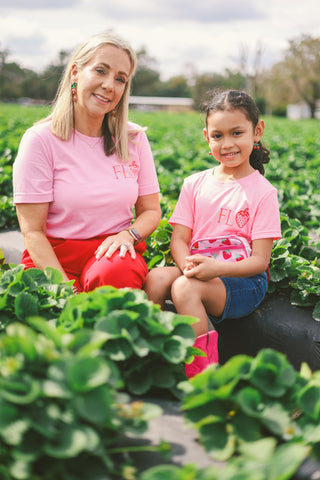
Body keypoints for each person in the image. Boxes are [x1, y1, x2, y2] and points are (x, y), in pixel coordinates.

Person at [13, 31, 161, 293]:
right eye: (100, 71)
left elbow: (150, 210)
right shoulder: (39, 140)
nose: (109, 85)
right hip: (53, 257)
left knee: (114, 274)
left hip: (113, 254)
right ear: (75, 73)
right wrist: (65, 292)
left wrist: (129, 235)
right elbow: (33, 232)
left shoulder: (134, 139)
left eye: (120, 79)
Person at [144, 89, 281, 340]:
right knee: (156, 278)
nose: (227, 144)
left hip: (245, 282)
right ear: (207, 137)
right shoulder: (194, 184)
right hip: (200, 269)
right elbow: (179, 240)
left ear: (257, 131)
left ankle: (201, 370)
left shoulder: (264, 192)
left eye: (237, 133)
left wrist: (216, 268)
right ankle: (157, 346)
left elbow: (260, 261)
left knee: (184, 289)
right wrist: (188, 265)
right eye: (218, 135)